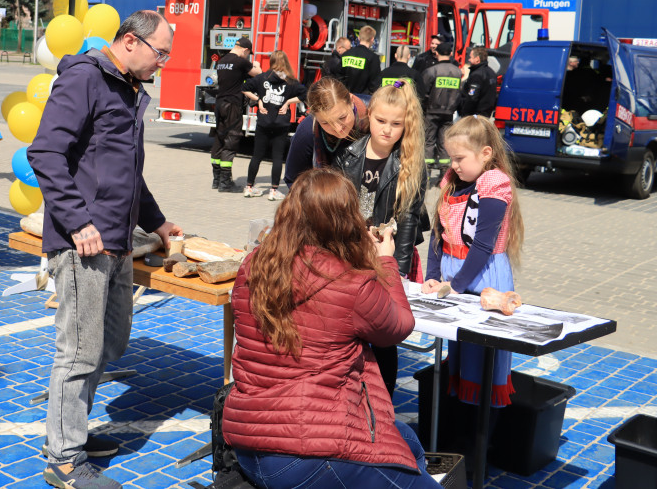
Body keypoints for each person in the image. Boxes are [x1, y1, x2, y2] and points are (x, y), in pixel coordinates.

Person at [28, 10, 183, 489]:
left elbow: (125, 172)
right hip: (84, 244)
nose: (163, 63)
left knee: (108, 343)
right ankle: (65, 459)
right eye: (160, 53)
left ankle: (68, 429)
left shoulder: (128, 87)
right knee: (78, 352)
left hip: (117, 242)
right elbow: (46, 153)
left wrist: (157, 223)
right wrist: (78, 222)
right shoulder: (85, 80)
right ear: (131, 42)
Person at [222, 168, 439, 489]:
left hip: (249, 439)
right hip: (309, 451)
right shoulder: (349, 281)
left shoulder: (255, 263)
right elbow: (398, 326)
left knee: (405, 438)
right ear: (345, 220)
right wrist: (385, 262)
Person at [422, 116, 524, 441]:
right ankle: (458, 438)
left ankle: (480, 444)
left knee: (484, 364)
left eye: (460, 158)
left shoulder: (494, 184)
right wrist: (433, 275)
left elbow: (481, 246)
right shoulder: (452, 181)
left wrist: (456, 285)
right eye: (451, 157)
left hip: (484, 284)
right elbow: (440, 234)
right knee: (461, 360)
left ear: (485, 153)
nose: (454, 164)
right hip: (456, 283)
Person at [334, 81, 427, 395]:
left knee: (383, 334)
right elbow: (341, 209)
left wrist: (396, 270)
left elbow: (409, 219)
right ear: (369, 115)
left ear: (406, 125)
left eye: (396, 124)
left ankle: (383, 396)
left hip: (386, 257)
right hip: (350, 255)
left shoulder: (411, 163)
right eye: (381, 121)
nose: (387, 130)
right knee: (348, 328)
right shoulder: (348, 155)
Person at [242, 51, 306, 200]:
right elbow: (305, 94)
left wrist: (259, 100)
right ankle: (273, 190)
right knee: (277, 157)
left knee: (257, 155)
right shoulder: (290, 81)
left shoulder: (262, 77)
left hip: (263, 122)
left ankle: (249, 187)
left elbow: (244, 88)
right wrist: (288, 102)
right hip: (281, 123)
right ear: (285, 62)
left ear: (271, 61)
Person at [283, 76, 368, 189]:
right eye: (326, 123)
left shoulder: (376, 117)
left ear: (351, 101)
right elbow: (294, 180)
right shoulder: (308, 130)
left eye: (342, 118)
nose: (338, 129)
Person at [211, 37, 261, 192]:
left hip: (219, 104)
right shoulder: (241, 62)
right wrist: (256, 64)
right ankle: (225, 183)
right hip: (232, 105)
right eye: (248, 54)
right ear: (245, 50)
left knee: (219, 139)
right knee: (231, 139)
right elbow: (258, 74)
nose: (247, 57)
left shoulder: (222, 61)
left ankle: (217, 179)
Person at [421, 41, 462, 162]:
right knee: (444, 141)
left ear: (436, 53)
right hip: (449, 113)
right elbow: (460, 94)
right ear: (450, 54)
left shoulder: (431, 71)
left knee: (428, 141)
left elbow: (423, 93)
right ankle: (444, 170)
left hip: (431, 112)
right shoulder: (457, 72)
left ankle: (427, 171)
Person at [338, 25, 380, 95]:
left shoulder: (346, 54)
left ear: (358, 38)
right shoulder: (373, 58)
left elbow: (338, 76)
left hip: (345, 97)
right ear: (372, 39)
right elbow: (375, 85)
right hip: (363, 99)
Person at [458, 46, 498, 118]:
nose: (469, 60)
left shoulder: (477, 75)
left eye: (470, 57)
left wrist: (465, 114)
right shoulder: (492, 72)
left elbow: (472, 97)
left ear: (477, 59)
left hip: (475, 115)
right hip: (486, 114)